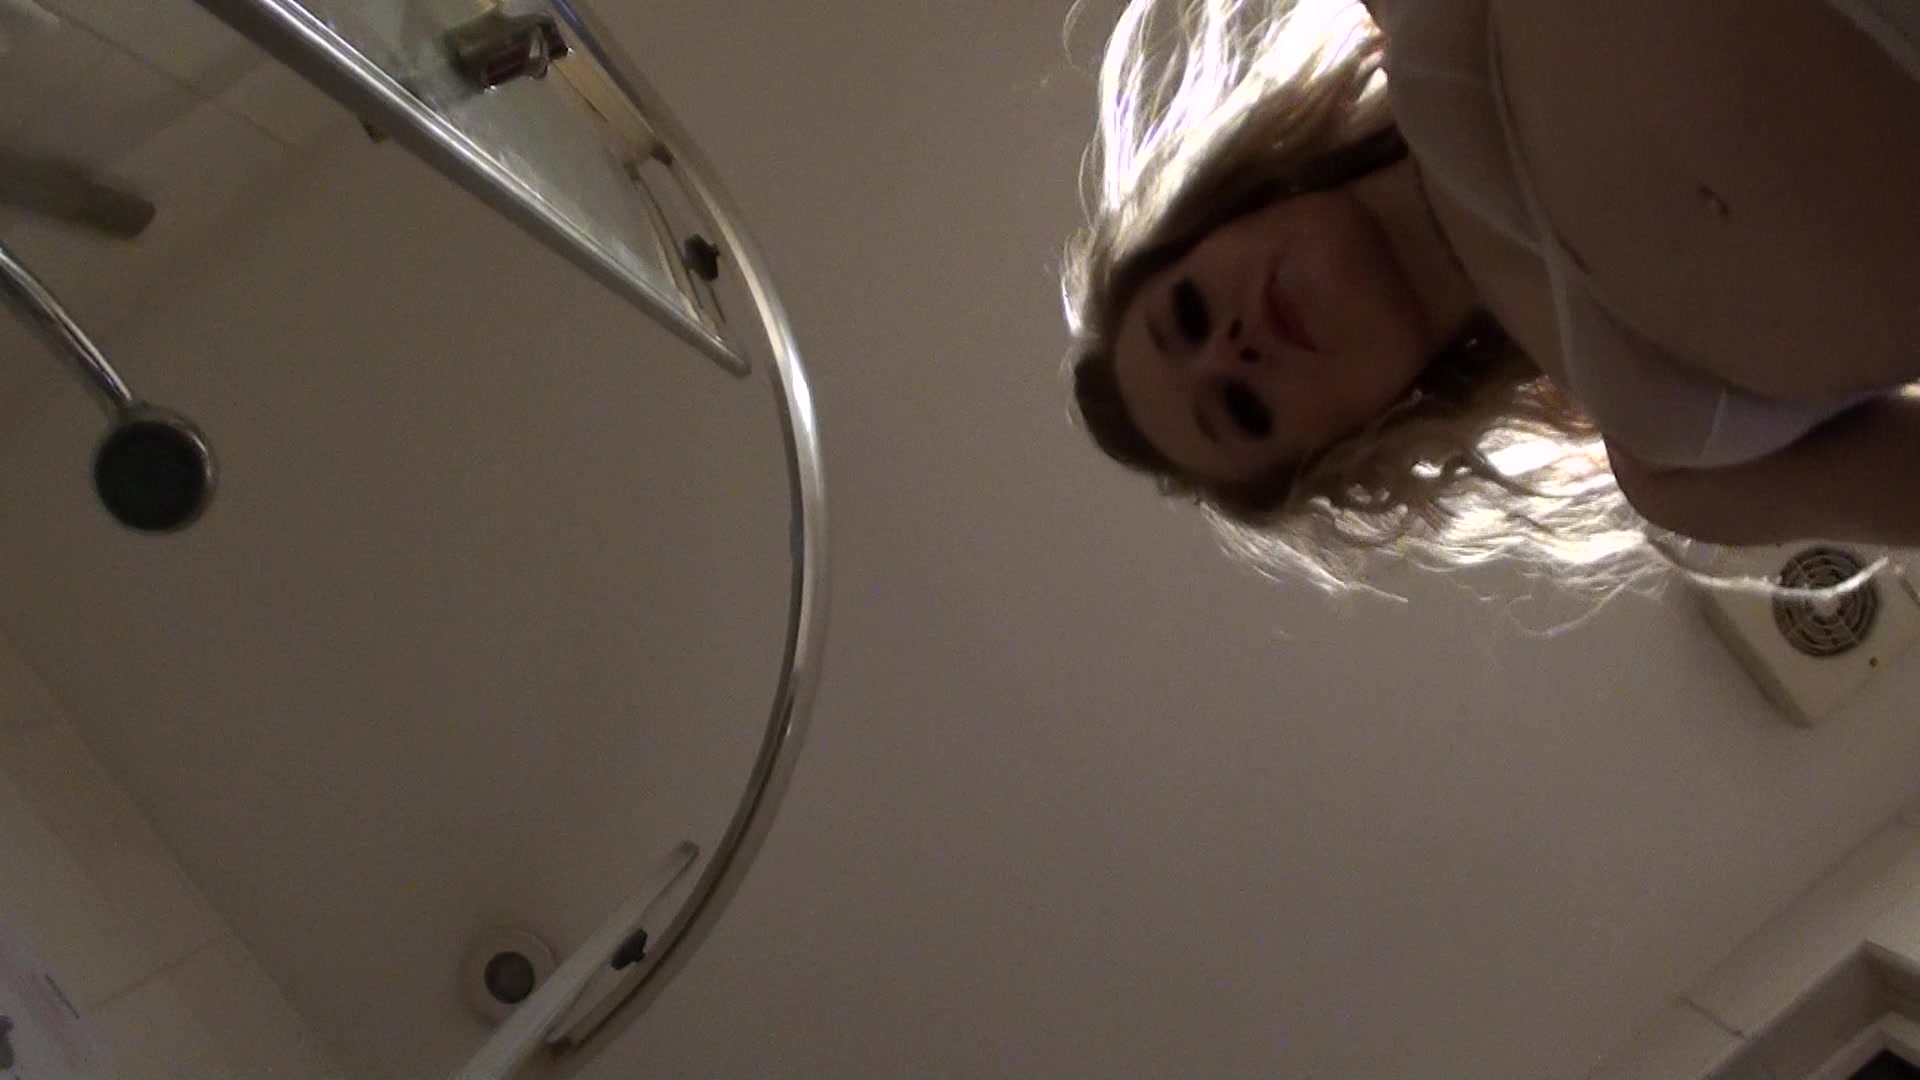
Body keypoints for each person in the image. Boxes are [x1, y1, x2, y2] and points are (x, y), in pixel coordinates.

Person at [1060, 0, 1920, 590]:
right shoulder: (1673, 475)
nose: (1232, 348)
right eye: (1242, 409)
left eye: (1189, 314)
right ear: (1340, 444)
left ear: (1222, 217)